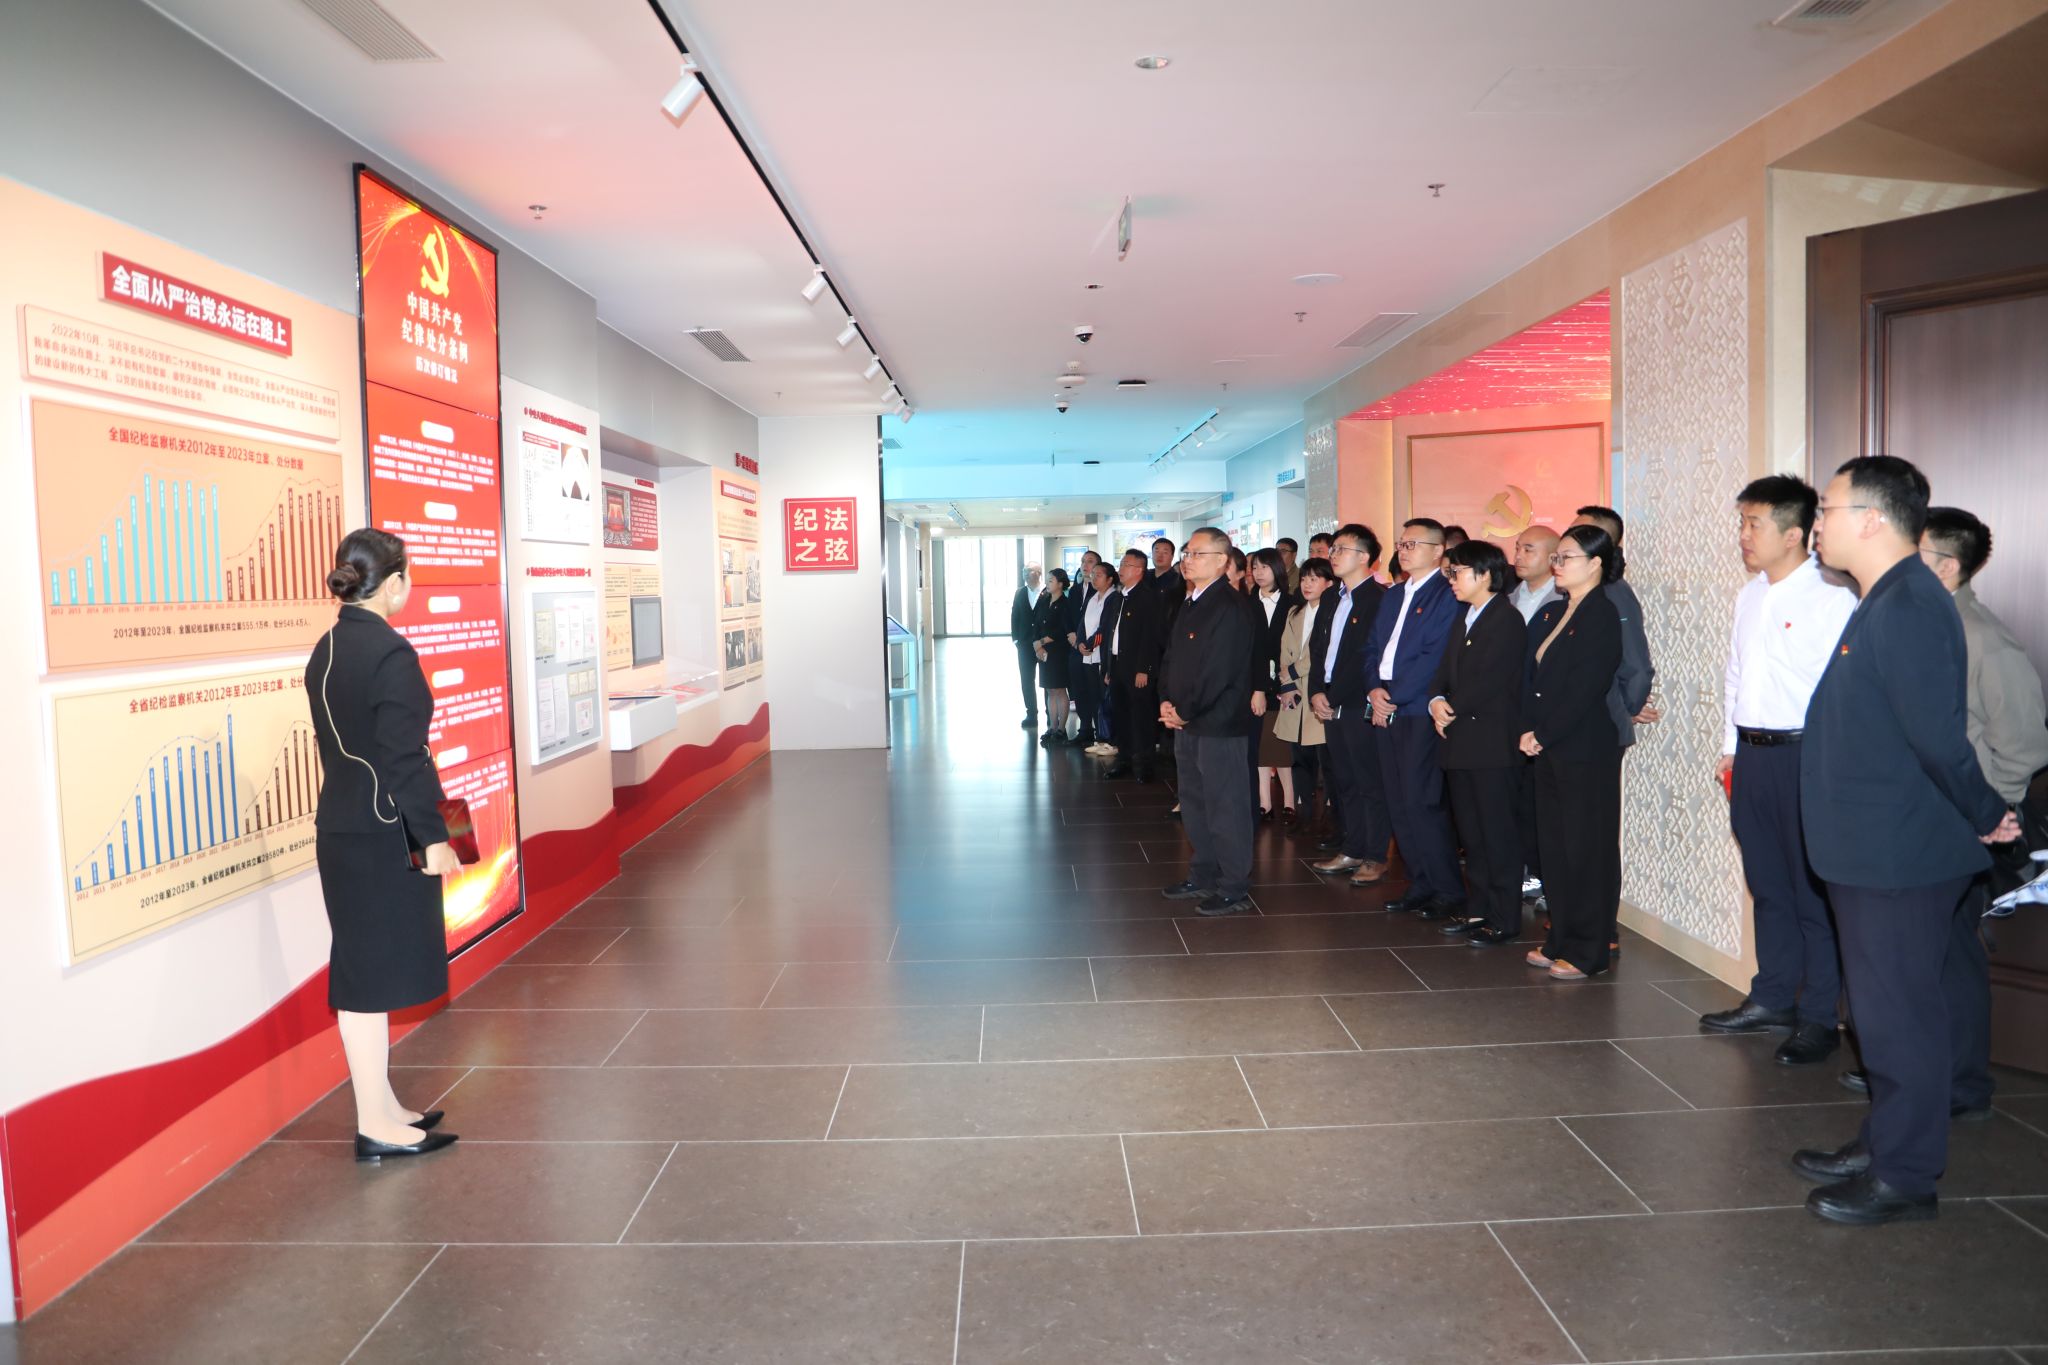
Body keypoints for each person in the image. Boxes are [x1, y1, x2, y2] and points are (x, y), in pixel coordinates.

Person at [1790, 456, 2021, 1227]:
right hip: (1874, 847)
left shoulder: (1911, 603)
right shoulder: (1887, 596)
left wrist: (1986, 812)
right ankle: (1882, 1143)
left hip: (1897, 853)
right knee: (1885, 1013)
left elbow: (1938, 738)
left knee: (1899, 1018)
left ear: (1871, 518)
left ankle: (1906, 1175)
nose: (1816, 524)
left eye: (1826, 509)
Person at [307, 529, 460, 1162]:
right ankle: (374, 1123)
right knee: (368, 982)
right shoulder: (391, 652)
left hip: (342, 831)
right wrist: (441, 838)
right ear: (393, 583)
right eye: (409, 575)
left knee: (360, 972)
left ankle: (384, 1104)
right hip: (385, 835)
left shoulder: (327, 648)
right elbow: (407, 759)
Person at [1697, 477, 1858, 1064]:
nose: (1743, 535)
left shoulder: (1833, 595)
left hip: (1808, 756)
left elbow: (1843, 691)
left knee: (1811, 892)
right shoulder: (1751, 594)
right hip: (1753, 756)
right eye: (1742, 523)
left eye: (1754, 524)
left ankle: (1819, 1016)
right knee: (1767, 884)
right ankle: (1771, 997)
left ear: (1794, 533)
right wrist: (1730, 748)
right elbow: (1736, 676)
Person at [1520, 523, 1627, 981]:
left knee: (1586, 848)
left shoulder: (1602, 613)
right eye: (1556, 557)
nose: (1557, 565)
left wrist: (1544, 733)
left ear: (1596, 563)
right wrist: (1528, 729)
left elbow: (1585, 687)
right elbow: (1531, 680)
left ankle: (1589, 950)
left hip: (1584, 747)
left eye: (1566, 557)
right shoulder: (1554, 611)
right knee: (1556, 847)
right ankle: (1560, 938)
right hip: (1550, 745)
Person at [1429, 539, 1528, 945]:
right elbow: (1443, 671)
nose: (1452, 579)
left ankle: (1504, 918)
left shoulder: (1506, 619)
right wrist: (1435, 700)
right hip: (1461, 741)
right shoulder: (1465, 617)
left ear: (1485, 575)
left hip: (1491, 744)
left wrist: (1450, 706)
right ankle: (1479, 909)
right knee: (1472, 834)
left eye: (1458, 572)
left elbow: (1490, 680)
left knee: (1496, 834)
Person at [1365, 519, 1466, 918]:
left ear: (1438, 551)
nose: (1403, 551)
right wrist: (1374, 690)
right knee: (1398, 800)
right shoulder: (1393, 595)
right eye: (1401, 544)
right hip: (1386, 704)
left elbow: (1434, 658)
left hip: (1418, 709)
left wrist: (1393, 698)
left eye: (1413, 544)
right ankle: (1420, 882)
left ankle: (1447, 888)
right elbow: (1372, 648)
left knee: (1422, 801)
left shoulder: (1446, 594)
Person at [1159, 528, 1258, 916]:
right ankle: (1203, 873)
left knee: (1226, 806)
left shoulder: (1230, 606)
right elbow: (1171, 657)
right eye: (1187, 553)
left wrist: (1186, 709)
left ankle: (1234, 886)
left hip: (1218, 722)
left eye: (1197, 554)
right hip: (1187, 720)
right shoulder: (1191, 602)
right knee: (1195, 803)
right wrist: (1166, 700)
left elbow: (1219, 671)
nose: (1188, 560)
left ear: (1222, 561)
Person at [1308, 524, 1394, 887]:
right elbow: (1318, 649)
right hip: (1329, 699)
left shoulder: (1380, 598)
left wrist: (1334, 695)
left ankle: (1376, 855)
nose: (1333, 555)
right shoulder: (1331, 596)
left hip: (1359, 701)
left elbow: (1367, 656)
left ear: (1364, 557)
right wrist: (1316, 690)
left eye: (1341, 549)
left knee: (1369, 781)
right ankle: (1352, 847)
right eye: (1333, 549)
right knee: (1344, 780)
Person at [1508, 525, 1562, 909]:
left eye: (1529, 549)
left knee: (1543, 804)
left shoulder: (1563, 601)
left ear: (1553, 557)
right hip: (1507, 715)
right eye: (1517, 548)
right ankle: (1523, 871)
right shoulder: (1508, 599)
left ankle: (1545, 878)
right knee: (1515, 801)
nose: (1519, 556)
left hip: (1543, 717)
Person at [1277, 558, 1336, 839]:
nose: (1307, 584)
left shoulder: (1334, 612)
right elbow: (1285, 649)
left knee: (1325, 761)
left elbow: (1318, 655)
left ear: (1329, 583)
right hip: (1294, 694)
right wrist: (1287, 682)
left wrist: (1291, 672)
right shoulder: (1294, 612)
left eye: (1314, 579)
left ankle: (1328, 818)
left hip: (1317, 692)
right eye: (1304, 578)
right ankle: (1305, 814)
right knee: (1299, 759)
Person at [1105, 550, 1164, 781]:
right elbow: (1112, 634)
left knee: (1141, 718)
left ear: (1139, 570)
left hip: (1137, 668)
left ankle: (1144, 766)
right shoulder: (1118, 597)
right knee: (1121, 716)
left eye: (1126, 565)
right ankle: (1124, 760)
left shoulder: (1148, 598)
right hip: (1117, 665)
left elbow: (1151, 637)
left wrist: (1144, 669)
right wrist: (1108, 669)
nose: (1120, 569)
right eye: (1121, 564)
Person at [1249, 548, 1299, 820]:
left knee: (1282, 742)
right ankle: (1264, 802)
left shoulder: (1292, 604)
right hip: (1255, 683)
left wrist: (1287, 680)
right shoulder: (1247, 603)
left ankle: (1290, 800)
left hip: (1286, 682)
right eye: (1255, 567)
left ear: (1277, 569)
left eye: (1264, 567)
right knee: (1260, 742)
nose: (1258, 572)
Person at [1073, 560, 1117, 752]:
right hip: (1088, 656)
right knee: (1093, 697)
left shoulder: (1113, 597)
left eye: (1099, 575)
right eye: (1093, 575)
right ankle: (1099, 737)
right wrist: (1080, 643)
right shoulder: (1092, 598)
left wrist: (1089, 644)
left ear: (1109, 579)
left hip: (1102, 656)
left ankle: (1108, 739)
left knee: (1103, 698)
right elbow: (1082, 623)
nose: (1094, 578)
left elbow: (1105, 628)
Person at [1033, 567, 1077, 745]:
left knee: (1059, 689)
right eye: (1047, 580)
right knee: (1050, 690)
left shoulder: (1065, 603)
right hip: (1043, 651)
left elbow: (1063, 629)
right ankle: (1052, 726)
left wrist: (1042, 641)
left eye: (1051, 580)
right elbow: (1036, 624)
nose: (1047, 583)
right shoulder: (1044, 600)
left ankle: (1061, 729)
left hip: (1058, 651)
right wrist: (1037, 644)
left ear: (1060, 584)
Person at [1010, 566, 1045, 731]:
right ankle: (1031, 714)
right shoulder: (1020, 593)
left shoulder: (1047, 591)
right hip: (1024, 644)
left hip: (1044, 643)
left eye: (1029, 571)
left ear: (1038, 573)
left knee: (1048, 680)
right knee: (1026, 679)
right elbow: (1014, 615)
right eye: (1024, 571)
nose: (1025, 574)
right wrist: (1016, 639)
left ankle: (1051, 714)